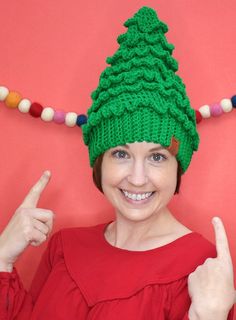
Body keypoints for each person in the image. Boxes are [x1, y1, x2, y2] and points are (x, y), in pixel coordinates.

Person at [0, 6, 235, 320]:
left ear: (178, 167)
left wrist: (210, 317)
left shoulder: (203, 268)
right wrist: (2, 259)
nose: (137, 178)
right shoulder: (64, 248)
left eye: (157, 157)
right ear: (99, 162)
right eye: (121, 154)